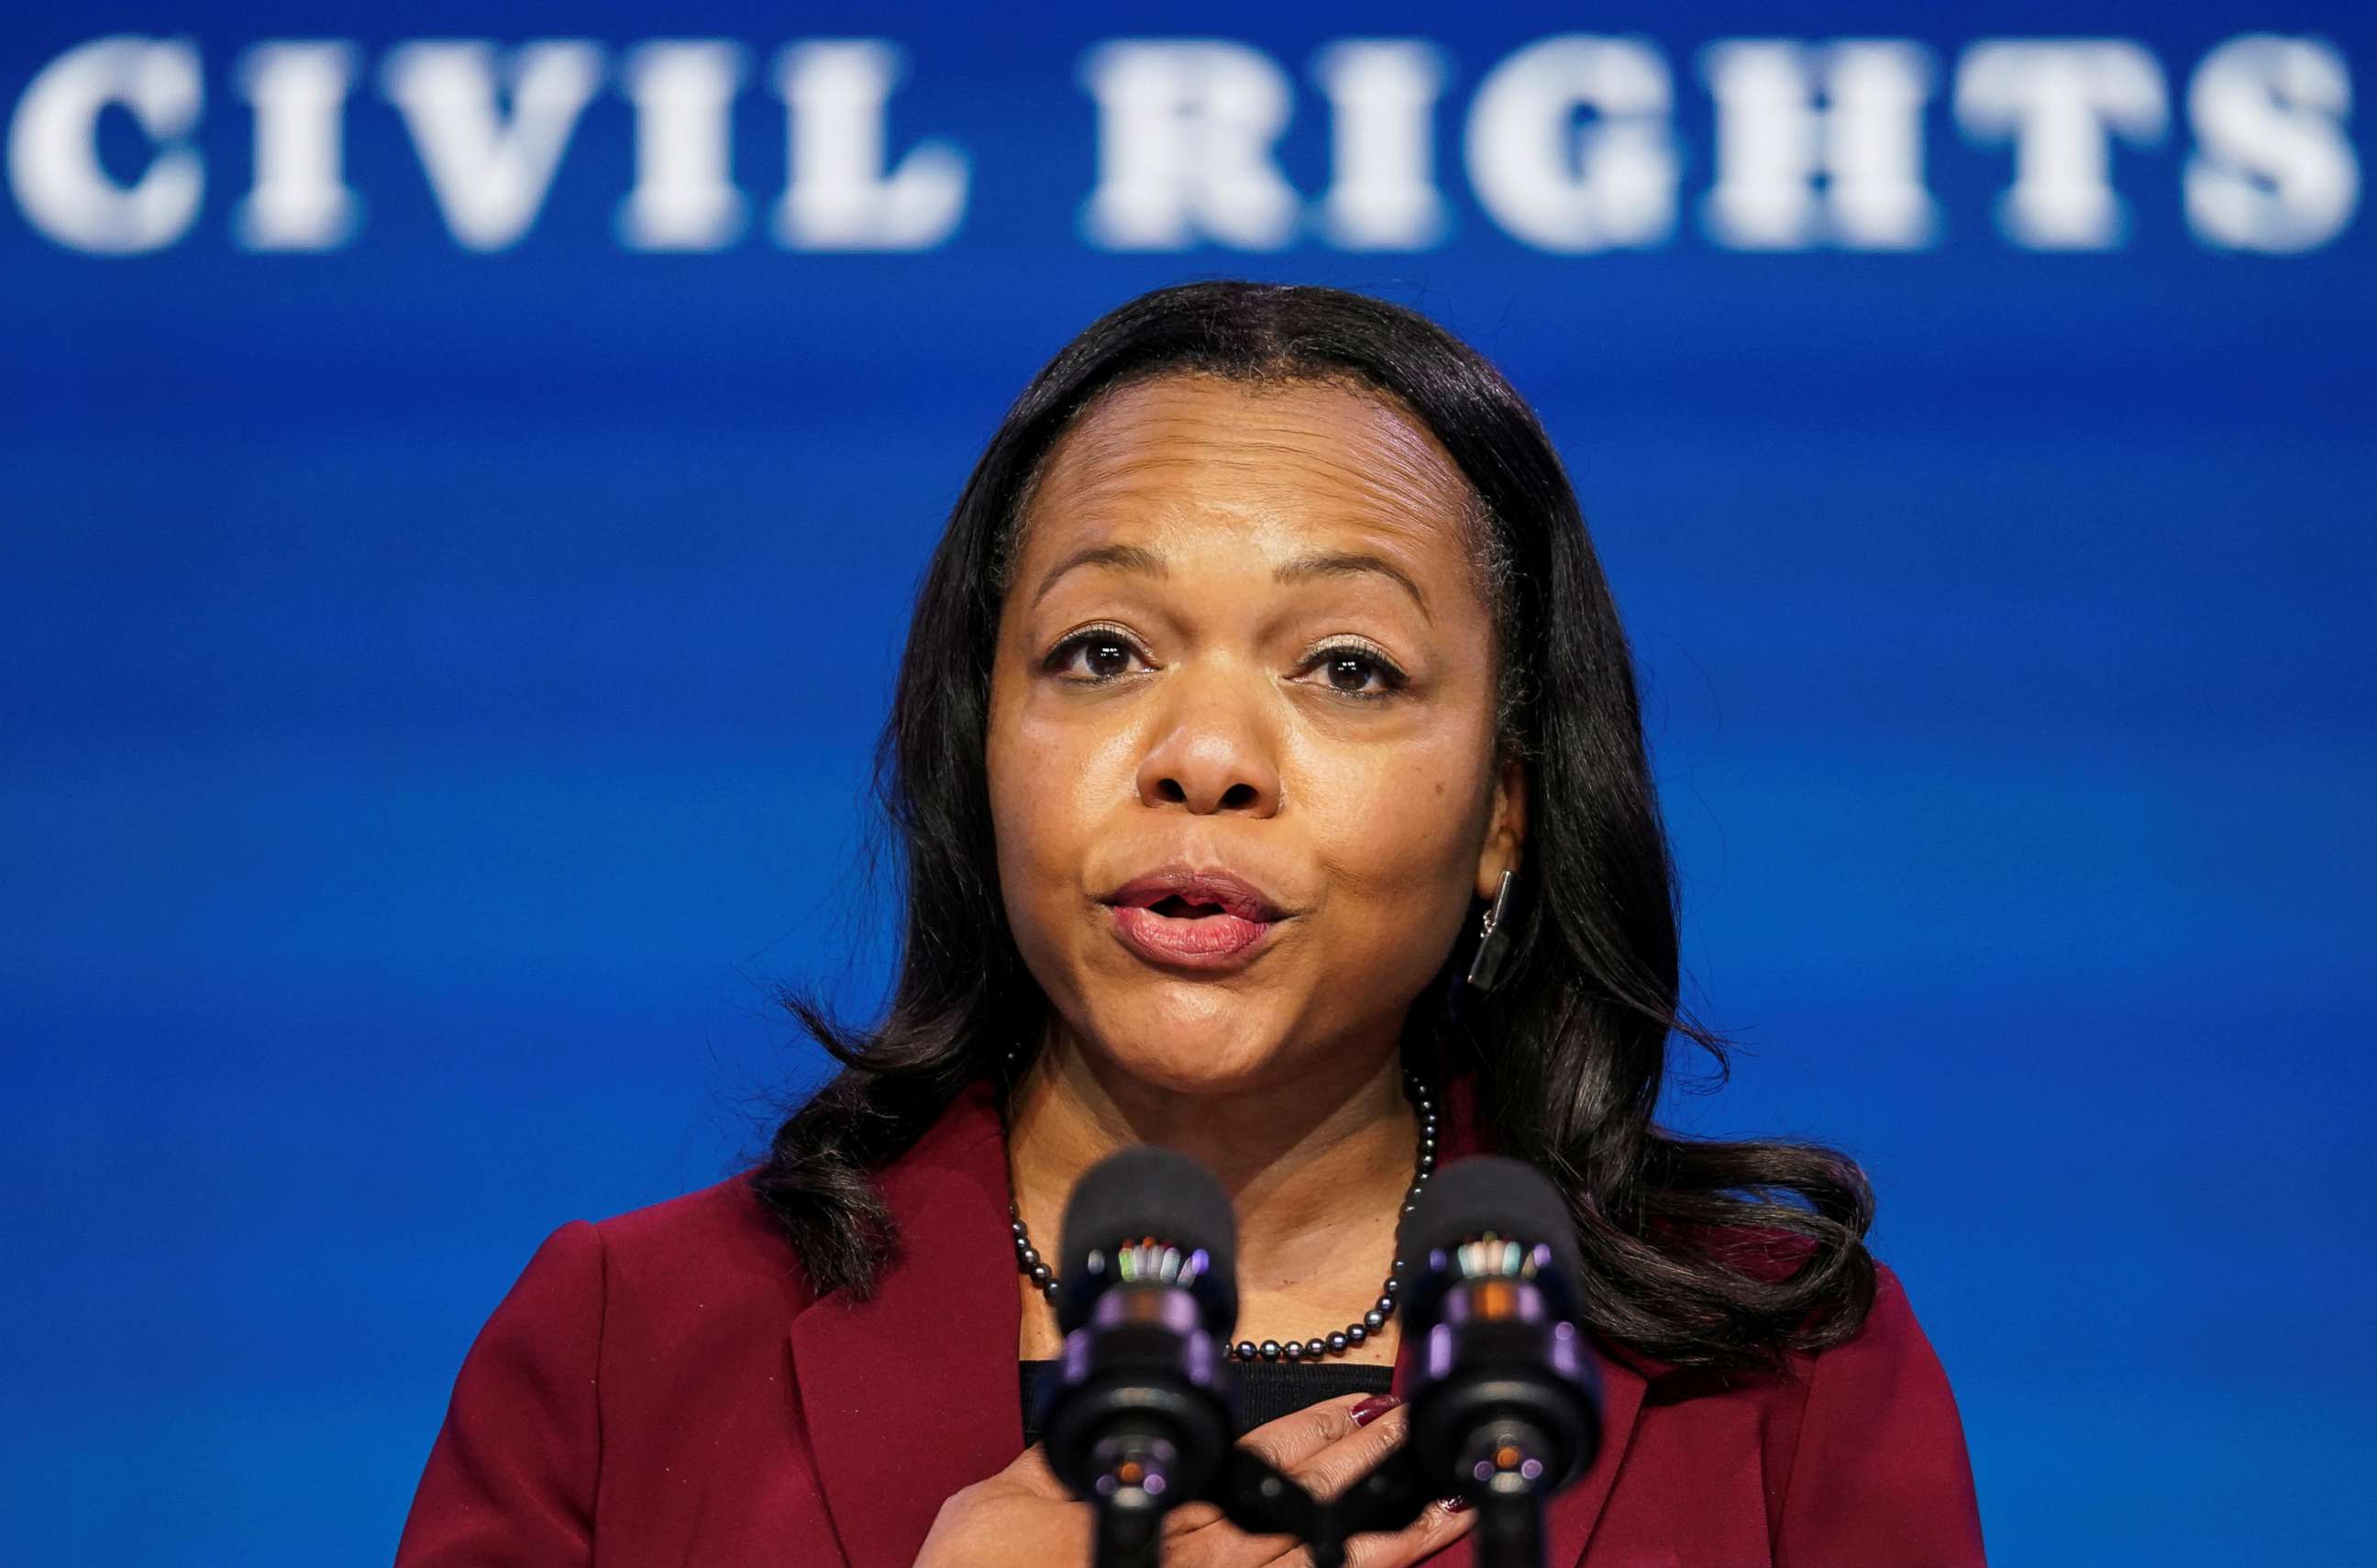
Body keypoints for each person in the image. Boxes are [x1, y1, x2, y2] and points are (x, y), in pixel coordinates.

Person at [393, 281, 1985, 1567]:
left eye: (1347, 667)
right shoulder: (631, 1346)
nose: (1204, 757)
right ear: (982, 744)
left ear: (1506, 806)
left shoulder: (1779, 1372)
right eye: (1101, 651)